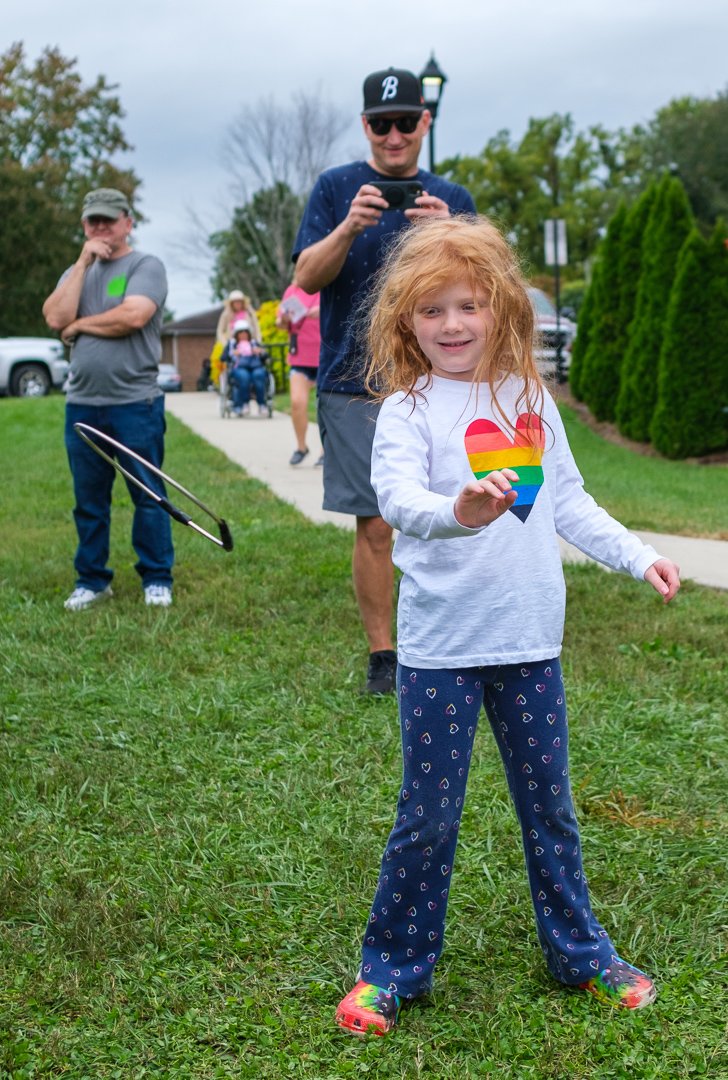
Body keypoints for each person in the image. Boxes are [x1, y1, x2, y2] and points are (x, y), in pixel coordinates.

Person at [334, 216, 681, 1036]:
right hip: (441, 652)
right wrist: (458, 511)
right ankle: (391, 968)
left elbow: (569, 501)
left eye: (468, 306)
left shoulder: (530, 400)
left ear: (500, 307)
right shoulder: (409, 409)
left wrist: (638, 556)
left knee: (549, 807)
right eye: (431, 312)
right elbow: (397, 503)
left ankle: (581, 954)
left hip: (530, 645)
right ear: (404, 322)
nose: (452, 325)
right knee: (428, 814)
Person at [293, 67, 476, 695]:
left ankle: (453, 628)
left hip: (442, 382)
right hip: (354, 379)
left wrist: (450, 232)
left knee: (457, 507)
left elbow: (483, 290)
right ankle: (384, 653)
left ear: (425, 122)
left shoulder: (451, 195)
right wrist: (348, 226)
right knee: (375, 522)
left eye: (406, 122)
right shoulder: (335, 187)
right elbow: (307, 279)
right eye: (381, 123)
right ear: (365, 125)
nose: (393, 135)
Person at [42, 187, 174, 610]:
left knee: (148, 495)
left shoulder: (145, 265)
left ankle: (156, 577)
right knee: (89, 500)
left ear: (127, 222)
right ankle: (92, 580)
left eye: (108, 219)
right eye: (92, 221)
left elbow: (133, 316)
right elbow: (54, 317)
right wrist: (82, 262)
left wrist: (79, 325)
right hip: (82, 403)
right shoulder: (76, 272)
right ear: (84, 225)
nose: (100, 227)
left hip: (136, 402)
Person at [275, 282, 321, 466]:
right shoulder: (292, 291)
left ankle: (327, 451)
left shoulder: (327, 285)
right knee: (297, 402)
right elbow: (279, 323)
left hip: (325, 354)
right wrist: (284, 320)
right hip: (300, 355)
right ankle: (301, 447)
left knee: (324, 407)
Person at [225, 324, 269, 416]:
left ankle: (262, 404)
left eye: (246, 332)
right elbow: (224, 357)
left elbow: (265, 356)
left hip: (255, 366)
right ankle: (244, 403)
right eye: (241, 332)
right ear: (236, 334)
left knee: (259, 375)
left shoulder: (254, 343)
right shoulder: (232, 344)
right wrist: (234, 354)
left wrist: (260, 352)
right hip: (240, 367)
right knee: (244, 377)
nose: (244, 334)